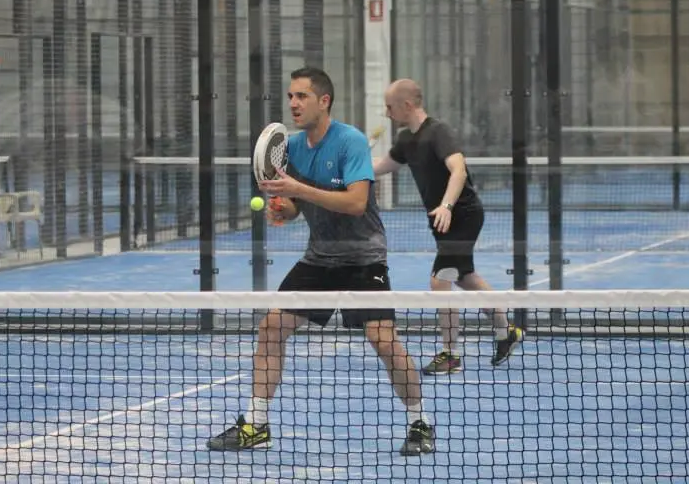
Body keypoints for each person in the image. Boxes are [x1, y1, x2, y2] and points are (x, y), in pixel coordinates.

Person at [207, 66, 435, 456]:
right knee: (272, 328)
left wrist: (298, 190)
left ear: (323, 101)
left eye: (302, 96)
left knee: (382, 340)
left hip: (364, 259)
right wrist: (285, 208)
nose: (293, 103)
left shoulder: (350, 142)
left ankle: (419, 423)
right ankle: (257, 424)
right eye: (291, 96)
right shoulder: (291, 148)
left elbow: (355, 202)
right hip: (319, 260)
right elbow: (296, 205)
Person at [373, 78, 523, 374]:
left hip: (462, 215)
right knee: (465, 277)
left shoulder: (438, 132)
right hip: (443, 220)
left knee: (440, 279)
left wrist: (447, 205)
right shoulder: (406, 139)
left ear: (407, 105)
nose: (387, 113)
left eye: (390, 107)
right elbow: (381, 167)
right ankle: (506, 332)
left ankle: (450, 354)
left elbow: (458, 169)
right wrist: (350, 170)